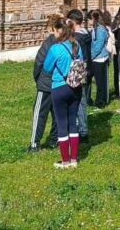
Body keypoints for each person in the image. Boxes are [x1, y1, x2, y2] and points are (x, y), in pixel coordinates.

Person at [42, 17, 84, 168]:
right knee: (73, 122)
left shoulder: (55, 49)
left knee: (62, 123)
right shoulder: (77, 45)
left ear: (60, 31)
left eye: (54, 30)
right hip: (76, 87)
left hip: (59, 87)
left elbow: (47, 68)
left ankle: (65, 161)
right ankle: (74, 159)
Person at [29, 15, 61, 152]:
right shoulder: (65, 43)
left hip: (46, 85)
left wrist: (38, 80)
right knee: (57, 114)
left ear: (52, 28)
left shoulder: (48, 43)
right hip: (59, 84)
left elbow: (39, 63)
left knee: (39, 115)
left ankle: (34, 144)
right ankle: (54, 139)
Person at [67, 9, 92, 137]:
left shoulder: (76, 38)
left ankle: (82, 130)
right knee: (82, 101)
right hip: (87, 69)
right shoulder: (86, 33)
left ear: (72, 21)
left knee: (79, 101)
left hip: (78, 71)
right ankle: (82, 128)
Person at [88, 9, 111, 108]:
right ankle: (93, 100)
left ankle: (100, 101)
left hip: (100, 59)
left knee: (100, 82)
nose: (88, 21)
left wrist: (91, 56)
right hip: (96, 59)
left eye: (89, 19)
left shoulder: (100, 30)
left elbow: (98, 46)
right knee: (94, 80)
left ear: (94, 19)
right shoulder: (95, 28)